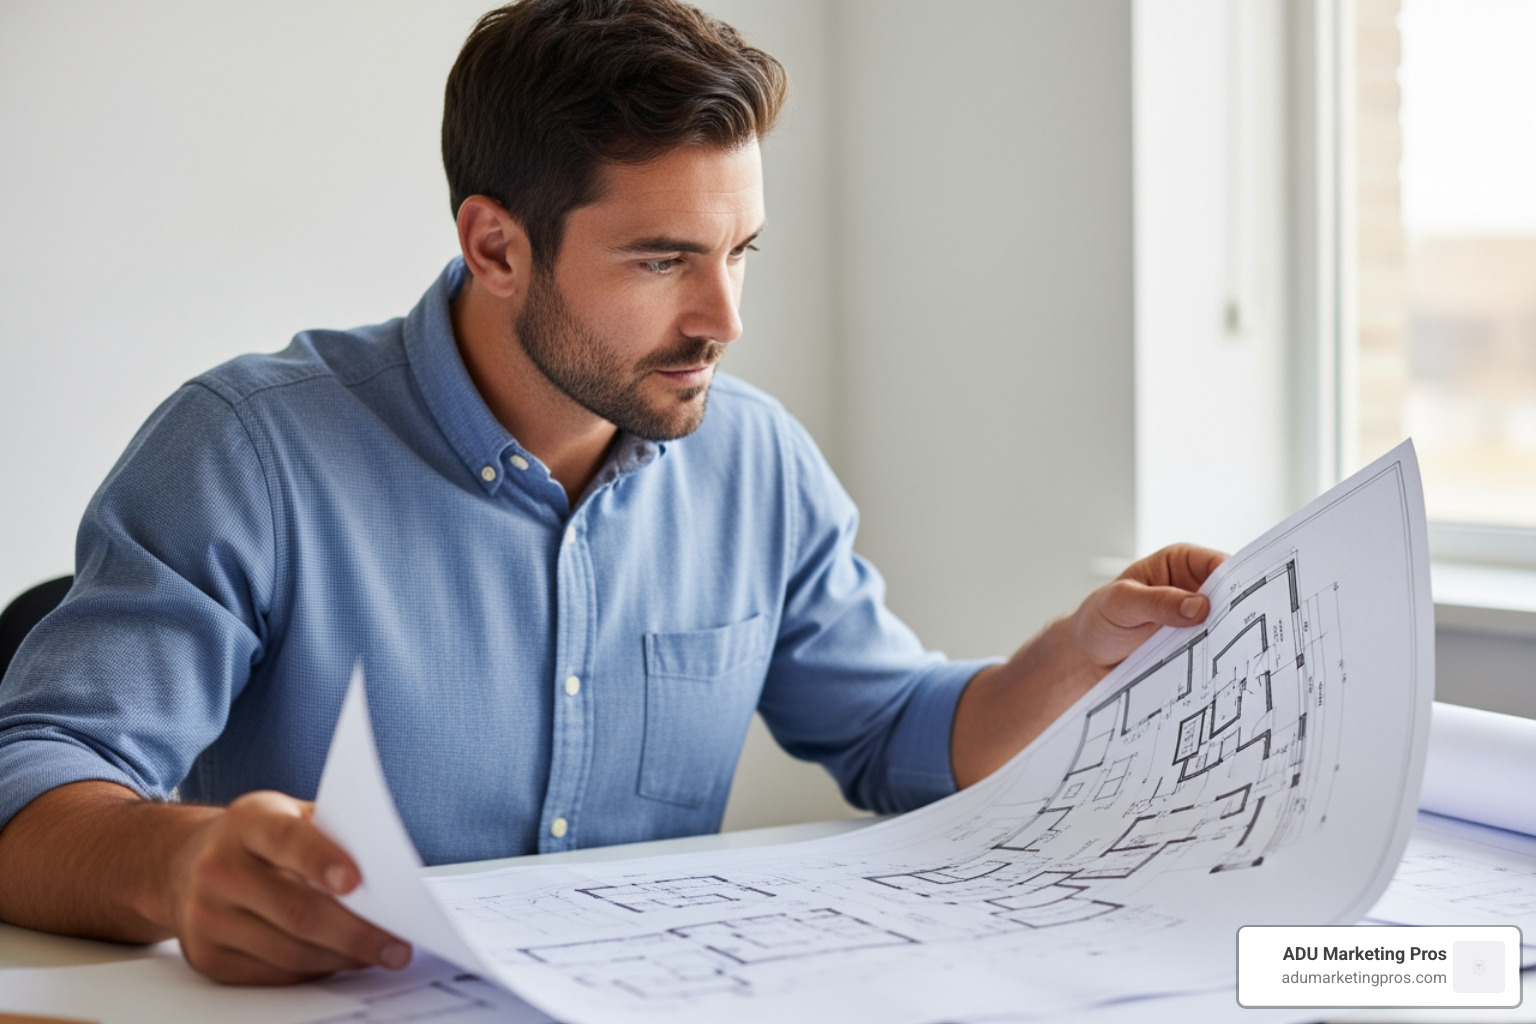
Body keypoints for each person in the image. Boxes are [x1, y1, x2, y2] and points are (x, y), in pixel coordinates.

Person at [0, 0, 1222, 987]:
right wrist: (180, 864)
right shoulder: (245, 451)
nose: (725, 320)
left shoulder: (755, 461)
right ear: (495, 246)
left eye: (740, 252)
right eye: (662, 260)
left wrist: (1071, 654)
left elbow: (893, 732)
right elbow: (32, 784)